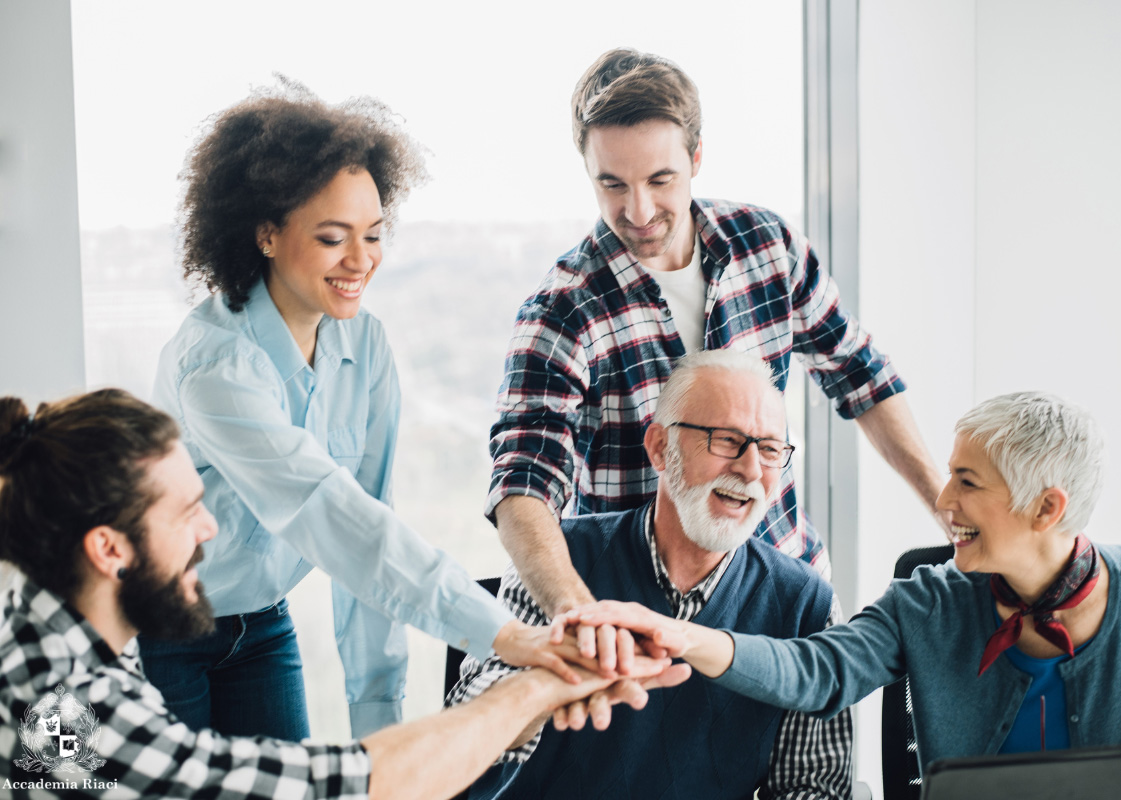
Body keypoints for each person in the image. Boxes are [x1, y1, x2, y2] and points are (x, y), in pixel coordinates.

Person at [488, 48, 948, 658]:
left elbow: (860, 374)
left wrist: (948, 510)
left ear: (696, 158)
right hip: (642, 622)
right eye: (612, 184)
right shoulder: (562, 312)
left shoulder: (768, 246)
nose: (639, 211)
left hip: (783, 593)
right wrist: (578, 611)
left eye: (660, 180)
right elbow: (523, 485)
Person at [148, 83, 573, 741]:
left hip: (259, 623)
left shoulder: (363, 342)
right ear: (265, 233)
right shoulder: (217, 366)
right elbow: (330, 516)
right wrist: (500, 634)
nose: (360, 260)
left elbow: (369, 523)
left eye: (373, 235)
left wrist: (379, 725)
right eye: (331, 238)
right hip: (160, 633)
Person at [0, 389, 681, 799]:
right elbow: (346, 787)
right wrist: (534, 688)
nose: (210, 529)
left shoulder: (48, 650)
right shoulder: (64, 705)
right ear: (109, 549)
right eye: (185, 514)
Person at [568, 391, 1121, 773]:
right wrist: (683, 636)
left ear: (1046, 509)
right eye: (950, 475)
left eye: (968, 483)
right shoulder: (926, 602)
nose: (943, 499)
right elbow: (815, 671)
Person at [450, 350, 851, 799]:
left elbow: (815, 788)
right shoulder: (557, 563)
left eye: (771, 449)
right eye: (725, 440)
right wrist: (547, 683)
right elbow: (464, 740)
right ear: (661, 448)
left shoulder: (806, 606)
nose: (751, 469)